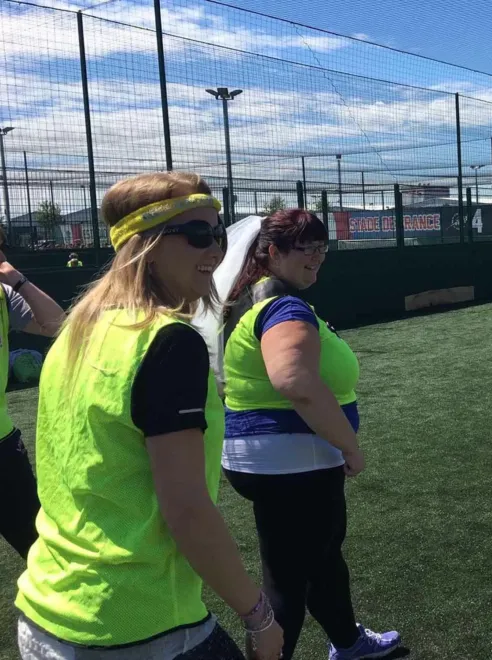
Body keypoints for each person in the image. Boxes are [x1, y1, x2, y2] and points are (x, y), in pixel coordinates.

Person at [15, 172, 284, 660]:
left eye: (219, 232)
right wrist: (260, 616)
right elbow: (186, 511)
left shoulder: (80, 326)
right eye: (198, 235)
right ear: (147, 245)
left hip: (45, 613)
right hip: (136, 626)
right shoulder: (167, 342)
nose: (216, 251)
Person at [220, 208, 400, 660]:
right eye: (308, 249)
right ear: (274, 252)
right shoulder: (281, 304)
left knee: (320, 562)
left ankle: (348, 642)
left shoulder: (251, 298)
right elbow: (295, 381)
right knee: (286, 585)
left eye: (323, 248)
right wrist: (349, 445)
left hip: (270, 459)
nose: (318, 258)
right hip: (294, 462)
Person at [0, 238, 67, 560]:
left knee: (42, 553)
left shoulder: (4, 295)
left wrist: (16, 279)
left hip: (2, 446)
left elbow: (56, 324)